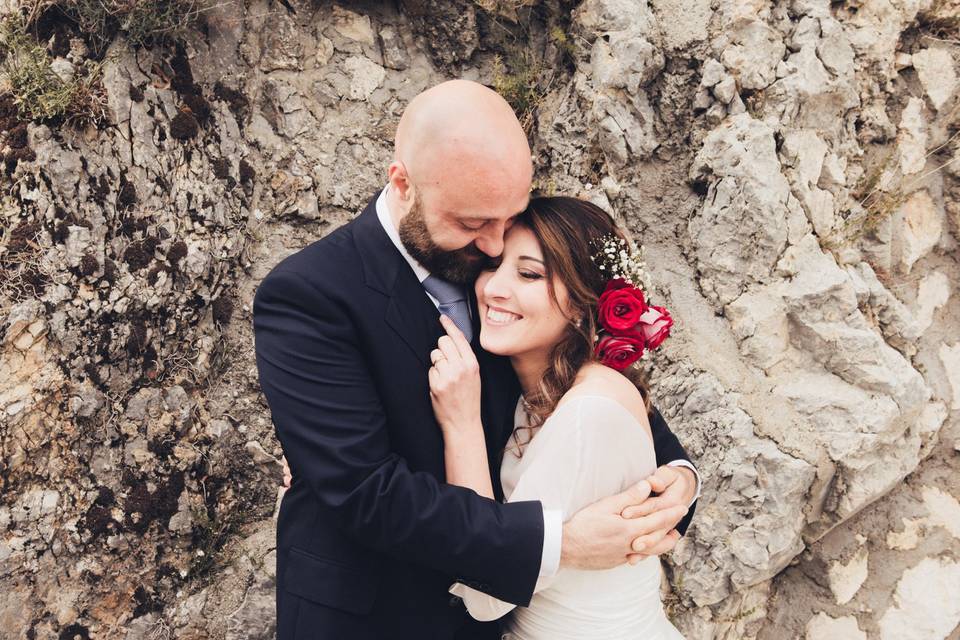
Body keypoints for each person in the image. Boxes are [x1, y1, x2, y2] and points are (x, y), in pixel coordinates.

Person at [253, 79, 699, 640]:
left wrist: (676, 477)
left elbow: (580, 386)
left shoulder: (494, 266)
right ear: (403, 183)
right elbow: (367, 491)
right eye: (471, 224)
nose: (493, 246)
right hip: (376, 615)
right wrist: (561, 544)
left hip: (499, 619)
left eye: (507, 219)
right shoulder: (310, 294)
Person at [429, 196, 685, 639]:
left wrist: (461, 424)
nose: (492, 289)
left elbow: (486, 594)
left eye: (529, 274)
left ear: (584, 302)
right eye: (491, 267)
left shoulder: (587, 412)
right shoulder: (543, 389)